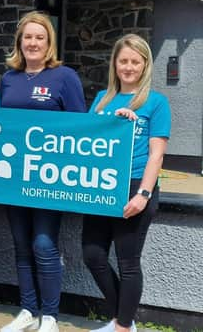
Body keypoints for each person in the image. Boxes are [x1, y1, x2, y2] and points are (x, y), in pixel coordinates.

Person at [0, 11, 86, 332]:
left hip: (50, 178)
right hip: (13, 178)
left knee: (44, 245)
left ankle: (50, 316)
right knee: (21, 245)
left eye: (40, 37)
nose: (33, 43)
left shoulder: (64, 77)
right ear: (19, 42)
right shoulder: (9, 78)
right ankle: (27, 311)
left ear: (48, 42)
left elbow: (81, 128)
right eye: (28, 37)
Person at [82, 34, 170, 332]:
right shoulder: (101, 99)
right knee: (92, 255)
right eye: (123, 61)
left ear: (145, 64)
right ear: (115, 64)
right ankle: (125, 321)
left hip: (135, 186)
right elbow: (85, 142)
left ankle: (121, 326)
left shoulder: (155, 103)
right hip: (100, 186)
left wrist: (144, 194)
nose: (128, 67)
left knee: (128, 261)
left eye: (135, 61)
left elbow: (156, 155)